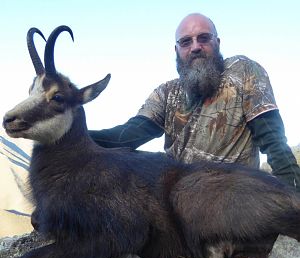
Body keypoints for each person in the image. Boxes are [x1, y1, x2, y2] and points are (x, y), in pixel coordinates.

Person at [89, 13, 300, 192]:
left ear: (218, 42)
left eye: (204, 38)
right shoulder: (166, 93)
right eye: (186, 41)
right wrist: (72, 135)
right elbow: (126, 137)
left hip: (235, 200)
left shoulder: (243, 71)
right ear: (177, 50)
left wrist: (294, 194)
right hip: (179, 203)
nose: (196, 47)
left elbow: (273, 140)